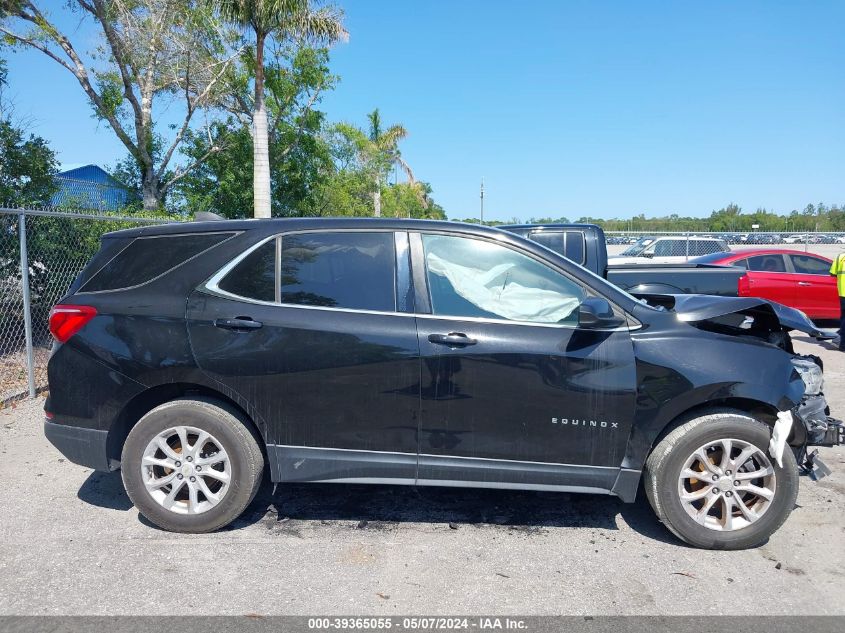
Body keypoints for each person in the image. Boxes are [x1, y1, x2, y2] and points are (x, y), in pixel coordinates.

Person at [831, 249, 845, 351]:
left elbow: (833, 274)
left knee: (843, 318)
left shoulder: (840, 257)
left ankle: (841, 343)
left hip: (842, 292)